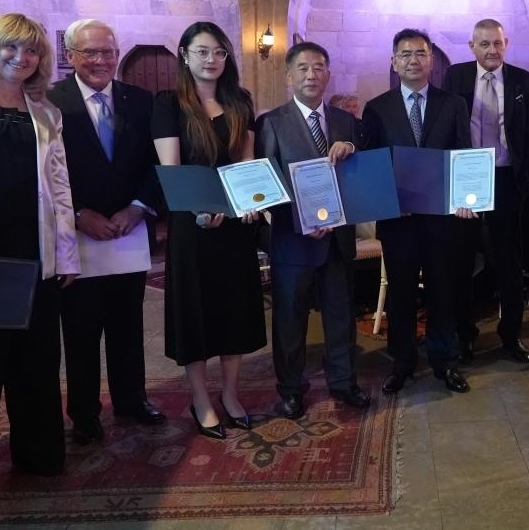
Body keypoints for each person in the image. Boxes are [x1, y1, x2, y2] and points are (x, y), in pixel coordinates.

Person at [0, 13, 80, 503]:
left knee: (36, 361)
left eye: (32, 50)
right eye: (11, 47)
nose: (22, 57)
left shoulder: (46, 113)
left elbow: (60, 187)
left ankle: (38, 454)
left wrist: (67, 255)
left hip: (37, 254)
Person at [47, 19, 164, 447]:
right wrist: (79, 214)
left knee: (127, 323)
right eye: (90, 52)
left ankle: (131, 398)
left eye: (108, 52)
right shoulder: (49, 101)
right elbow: (44, 171)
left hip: (129, 232)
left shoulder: (141, 100)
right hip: (77, 237)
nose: (101, 60)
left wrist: (139, 206)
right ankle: (84, 412)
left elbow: (157, 162)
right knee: (80, 329)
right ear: (70, 56)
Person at [152, 22, 266, 439]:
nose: (211, 59)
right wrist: (202, 206)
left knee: (234, 309)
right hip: (192, 223)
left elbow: (247, 163)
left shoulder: (239, 101)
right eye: (202, 51)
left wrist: (251, 202)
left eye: (219, 52)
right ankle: (200, 398)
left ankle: (231, 394)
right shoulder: (169, 104)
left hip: (233, 224)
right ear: (184, 55)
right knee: (196, 313)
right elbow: (173, 170)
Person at [255, 42, 369, 418]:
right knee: (290, 319)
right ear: (289, 75)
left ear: (328, 74)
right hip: (294, 239)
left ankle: (344, 381)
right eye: (302, 68)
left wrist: (351, 146)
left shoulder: (345, 121)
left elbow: (363, 165)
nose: (311, 74)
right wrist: (301, 221)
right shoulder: (272, 122)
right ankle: (291, 388)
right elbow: (267, 185)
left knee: (341, 315)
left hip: (338, 238)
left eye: (319, 67)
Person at [362, 28, 472, 395]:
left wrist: (466, 197)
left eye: (420, 53)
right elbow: (371, 163)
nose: (413, 60)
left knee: (443, 291)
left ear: (432, 61)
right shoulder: (377, 108)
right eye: (405, 54)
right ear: (394, 62)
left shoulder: (453, 104)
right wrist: (385, 202)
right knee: (402, 293)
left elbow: (462, 154)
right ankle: (402, 363)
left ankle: (446, 362)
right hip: (399, 221)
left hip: (442, 220)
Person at [446, 18, 529, 364]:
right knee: (462, 261)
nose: (492, 50)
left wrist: (524, 180)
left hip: (505, 178)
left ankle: (511, 336)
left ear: (506, 44)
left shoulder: (522, 80)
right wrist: (453, 183)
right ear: (472, 46)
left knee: (509, 262)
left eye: (497, 43)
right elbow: (446, 127)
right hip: (467, 178)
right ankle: (464, 336)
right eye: (484, 44)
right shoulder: (455, 76)